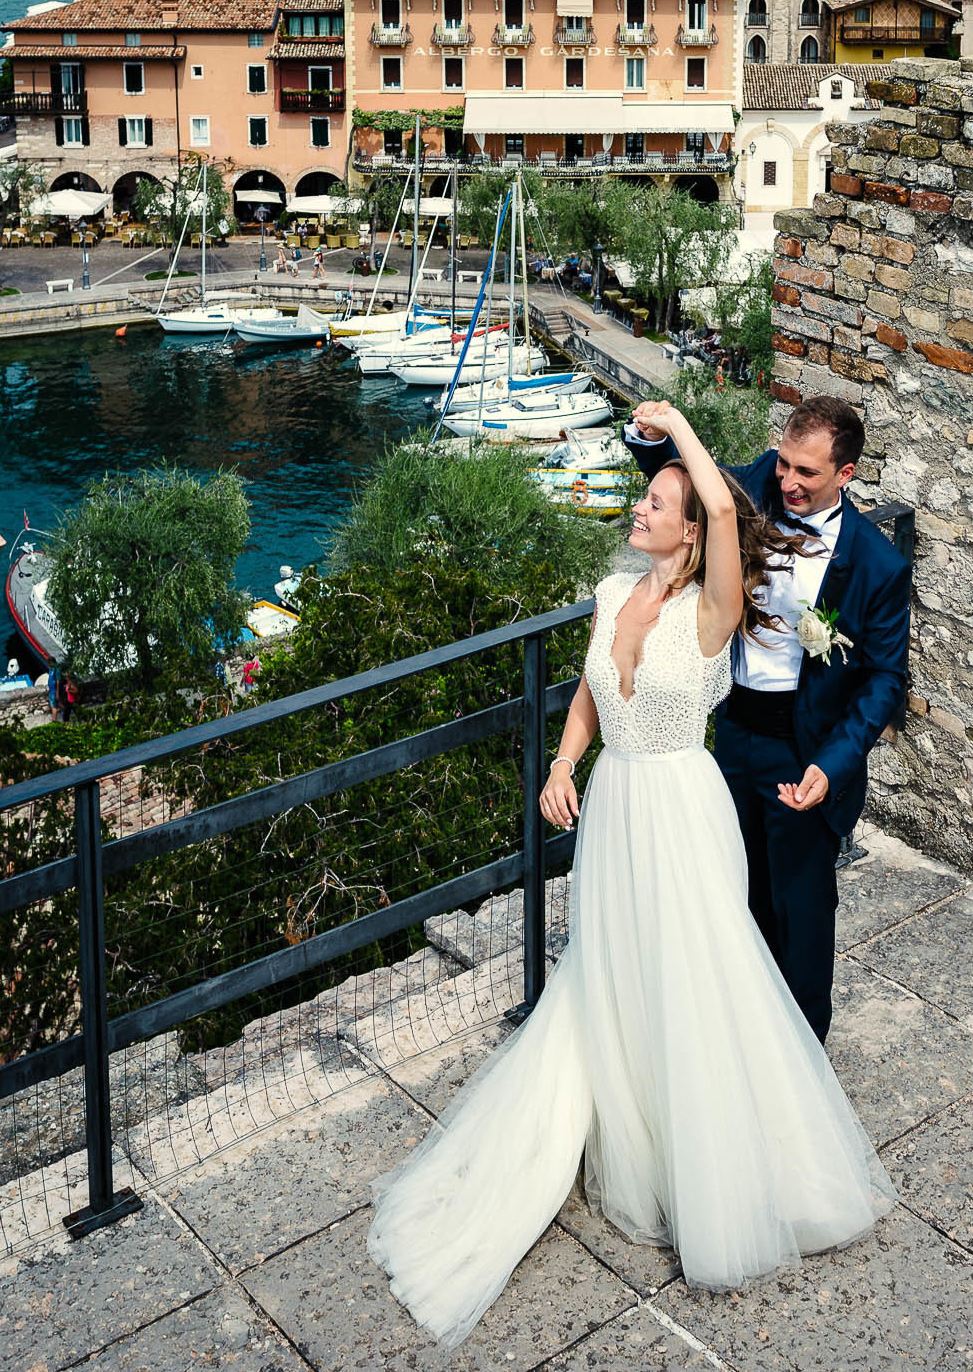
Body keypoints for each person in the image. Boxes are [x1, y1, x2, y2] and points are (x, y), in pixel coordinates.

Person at [367, 400, 892, 1347]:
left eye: (656, 501)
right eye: (645, 498)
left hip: (682, 806)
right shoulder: (614, 597)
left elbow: (729, 512)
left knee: (703, 967)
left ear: (691, 529)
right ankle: (634, 1107)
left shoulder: (709, 611)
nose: (638, 510)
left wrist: (685, 428)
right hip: (613, 814)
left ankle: (724, 1144)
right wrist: (562, 767)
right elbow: (587, 698)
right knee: (615, 971)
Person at [624, 394, 909, 1042]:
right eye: (784, 465)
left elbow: (885, 680)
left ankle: (803, 1058)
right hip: (729, 737)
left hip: (804, 752)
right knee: (731, 891)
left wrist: (832, 768)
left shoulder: (877, 565)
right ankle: (741, 1045)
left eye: (806, 473)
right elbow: (692, 478)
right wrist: (647, 432)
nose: (788, 482)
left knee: (801, 912)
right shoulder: (755, 483)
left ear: (847, 473)